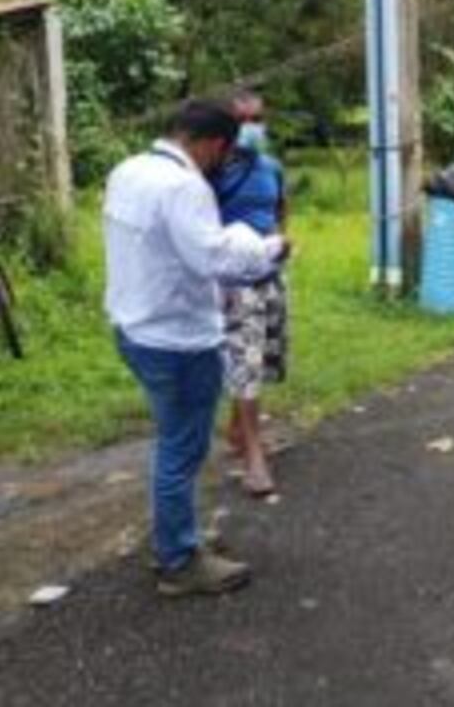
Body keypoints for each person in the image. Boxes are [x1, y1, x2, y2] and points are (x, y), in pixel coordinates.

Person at [104, 100, 289, 597]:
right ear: (212, 144)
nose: (220, 164)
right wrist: (268, 247)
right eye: (223, 154)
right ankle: (179, 561)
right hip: (177, 338)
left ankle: (177, 538)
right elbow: (215, 258)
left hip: (135, 328)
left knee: (173, 441)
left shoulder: (129, 170)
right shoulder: (184, 187)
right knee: (181, 449)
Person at [215, 90, 289, 497]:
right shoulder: (213, 172)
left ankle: (236, 432)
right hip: (234, 282)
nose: (251, 128)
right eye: (242, 121)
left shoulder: (272, 168)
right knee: (246, 359)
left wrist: (281, 243)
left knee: (261, 357)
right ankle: (254, 457)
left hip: (271, 272)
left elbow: (279, 212)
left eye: (256, 119)